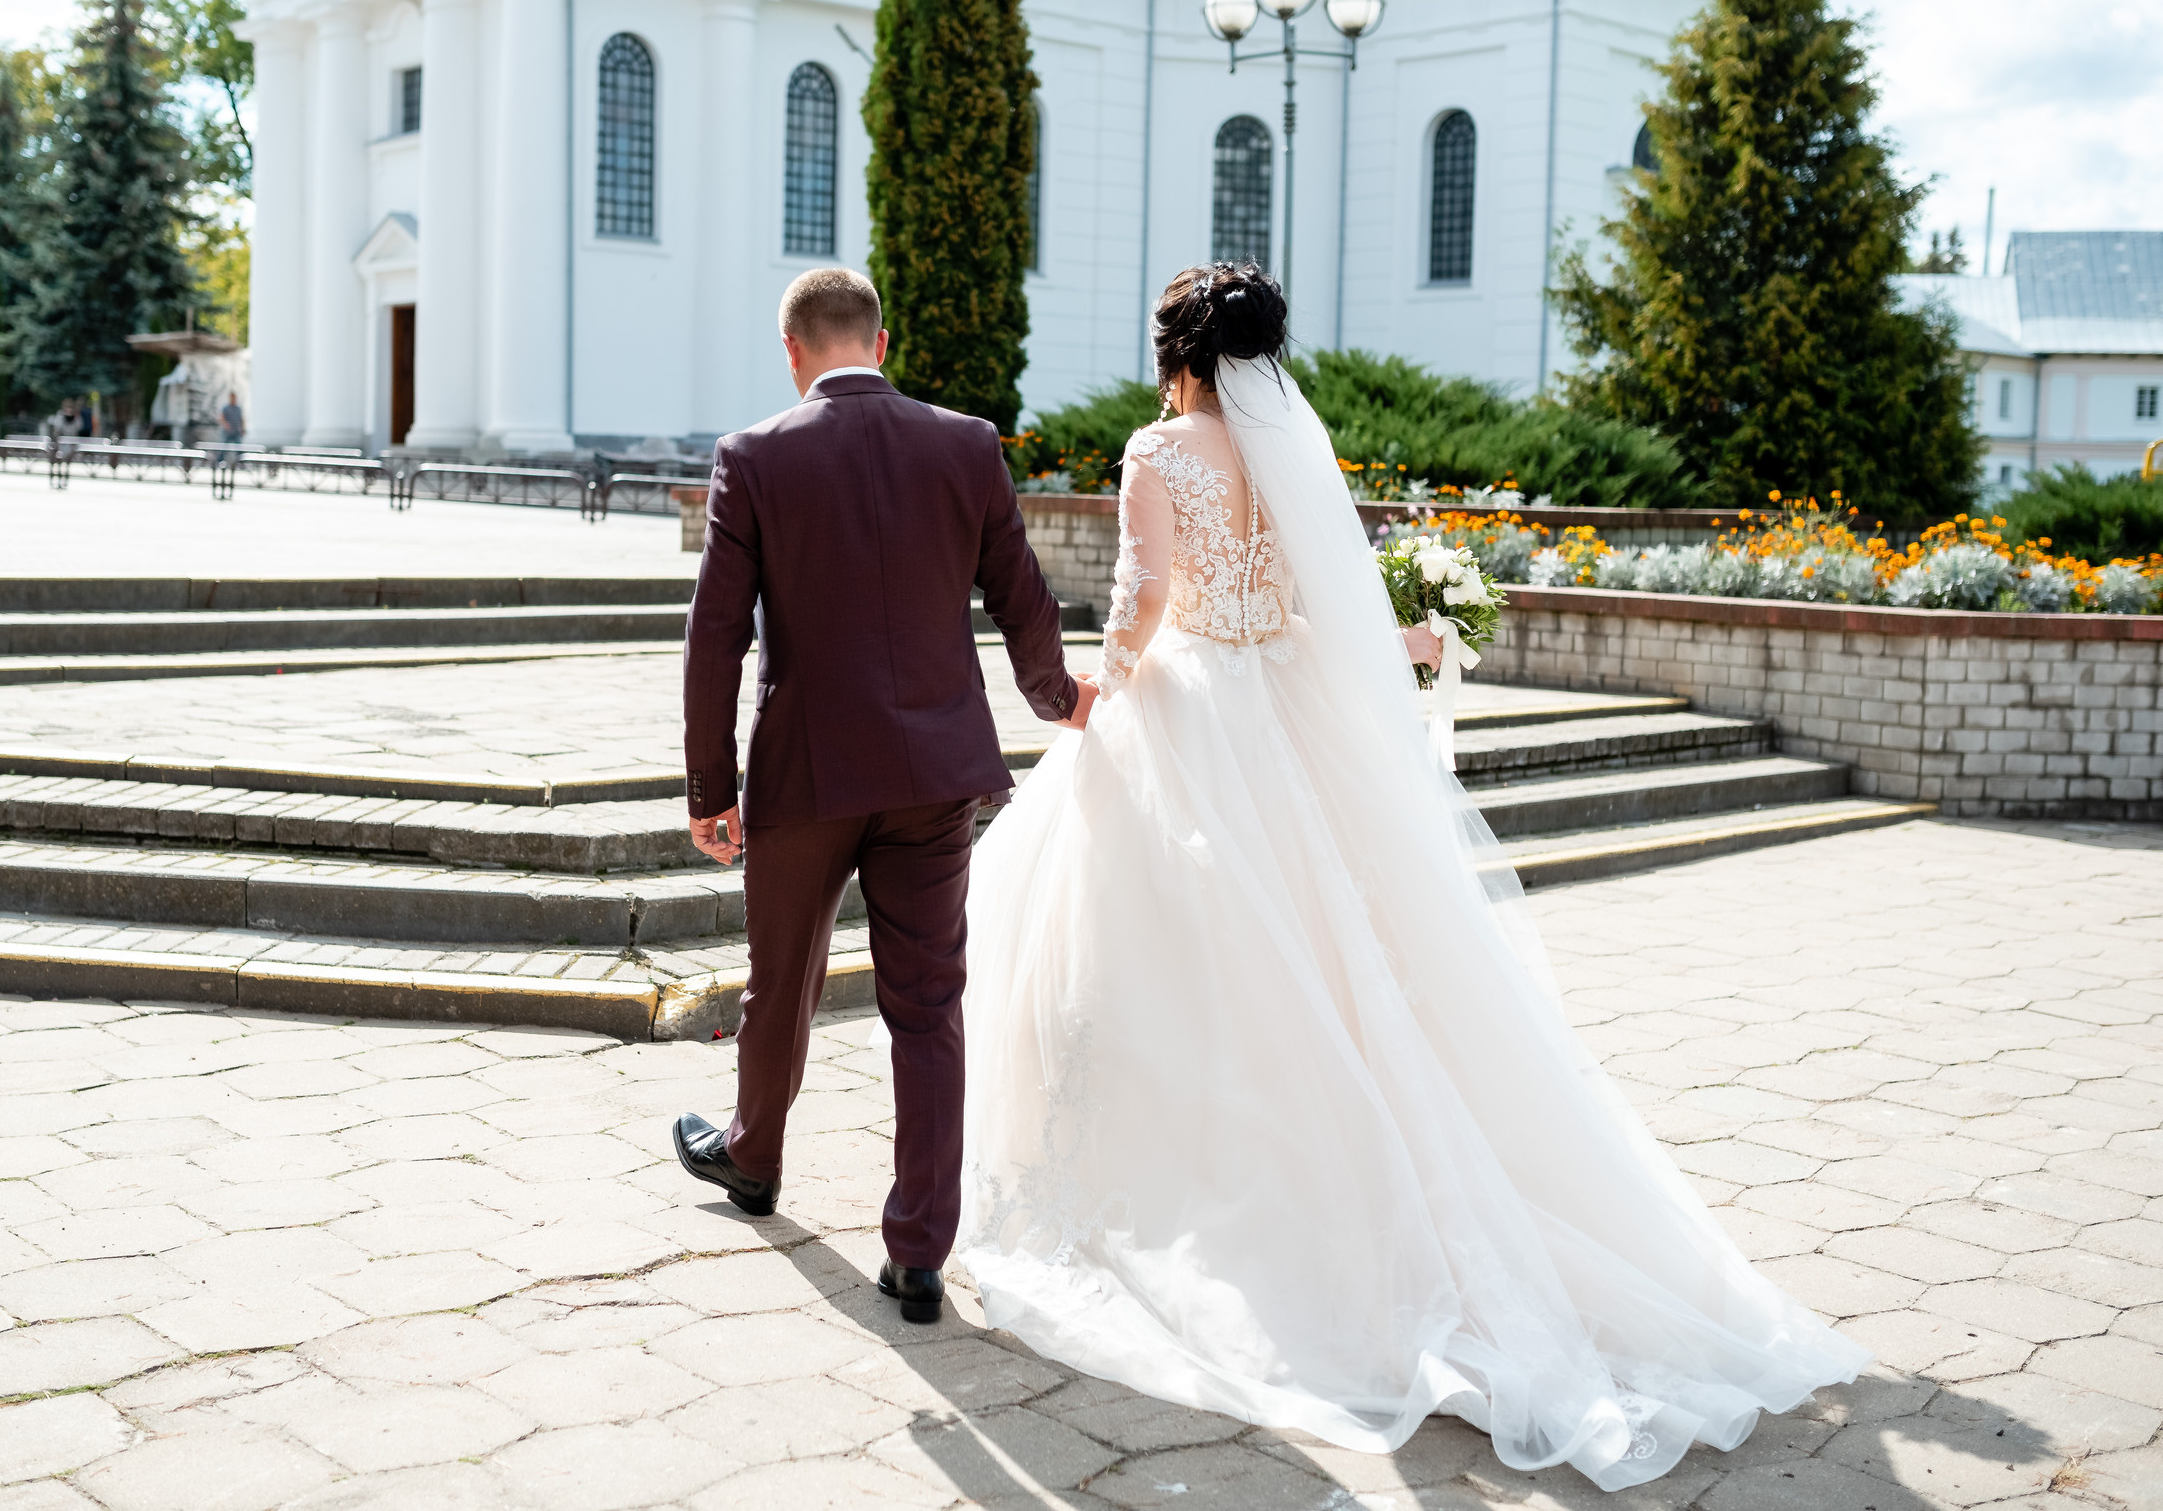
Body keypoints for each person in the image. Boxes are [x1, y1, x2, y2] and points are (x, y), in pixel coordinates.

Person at [955, 262, 1867, 1492]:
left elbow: (1147, 596)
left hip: (1187, 711)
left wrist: (1092, 692)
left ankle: (1192, 1181)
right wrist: (1402, 640)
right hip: (1277, 705)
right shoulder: (1287, 453)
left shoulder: (1156, 450)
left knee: (1161, 950)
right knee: (1331, 949)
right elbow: (1306, 596)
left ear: (1173, 350)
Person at [675, 266, 1093, 1324]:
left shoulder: (754, 455)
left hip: (806, 772)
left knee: (784, 980)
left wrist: (707, 787)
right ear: (884, 339)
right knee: (927, 1006)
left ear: (791, 349)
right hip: (935, 772)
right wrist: (1057, 699)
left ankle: (754, 1157)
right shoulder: (966, 443)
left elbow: (714, 636)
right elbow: (1019, 590)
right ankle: (917, 1252)